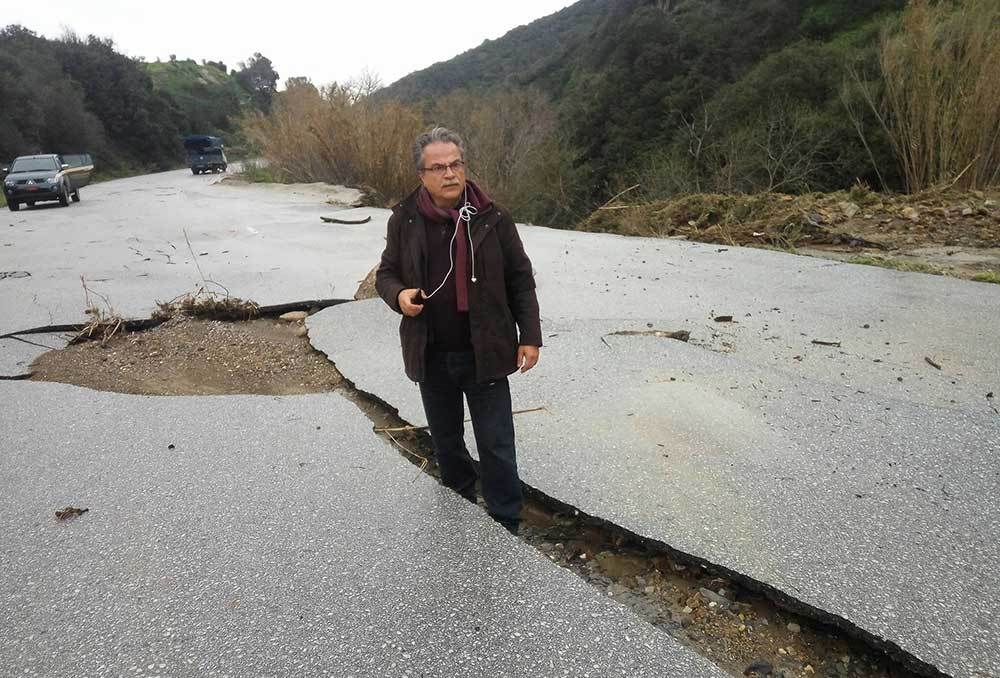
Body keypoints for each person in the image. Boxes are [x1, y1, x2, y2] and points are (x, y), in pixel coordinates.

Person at [375, 127, 542, 534]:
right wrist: (399, 296)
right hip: (431, 350)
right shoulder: (404, 219)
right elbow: (386, 274)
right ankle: (459, 502)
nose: (450, 174)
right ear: (422, 175)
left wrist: (530, 336)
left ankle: (506, 518)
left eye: (456, 164)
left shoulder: (493, 217)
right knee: (446, 441)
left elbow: (520, 278)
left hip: (484, 349)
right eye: (439, 167)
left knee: (497, 443)